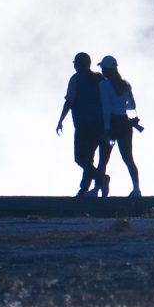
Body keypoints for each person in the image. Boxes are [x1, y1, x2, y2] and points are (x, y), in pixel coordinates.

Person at [54, 52, 109, 198]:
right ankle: (84, 190)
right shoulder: (99, 78)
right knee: (88, 158)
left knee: (80, 158)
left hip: (84, 124)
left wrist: (60, 120)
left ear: (79, 64)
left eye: (75, 63)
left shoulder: (76, 79)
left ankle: (100, 179)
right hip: (100, 124)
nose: (73, 65)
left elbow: (69, 101)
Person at [94, 55, 142, 197]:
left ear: (106, 69)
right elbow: (132, 105)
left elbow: (106, 108)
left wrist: (107, 129)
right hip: (125, 124)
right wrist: (123, 107)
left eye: (103, 68)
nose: (101, 70)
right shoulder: (126, 84)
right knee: (128, 158)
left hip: (112, 124)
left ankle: (97, 189)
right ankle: (136, 189)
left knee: (103, 159)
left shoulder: (103, 85)